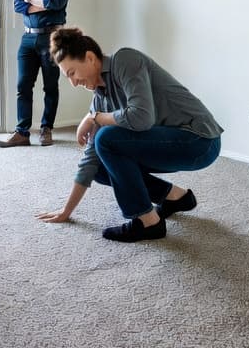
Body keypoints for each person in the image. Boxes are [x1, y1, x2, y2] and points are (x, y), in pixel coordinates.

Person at [36, 27, 224, 242]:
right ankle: (175, 197)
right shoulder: (100, 97)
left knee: (105, 138)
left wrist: (93, 117)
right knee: (98, 166)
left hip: (199, 140)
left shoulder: (125, 60)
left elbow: (142, 117)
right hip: (173, 143)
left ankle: (148, 222)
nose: (73, 82)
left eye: (72, 73)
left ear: (89, 58)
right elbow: (89, 160)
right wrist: (66, 211)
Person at [0, 0, 73, 148]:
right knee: (23, 86)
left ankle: (46, 129)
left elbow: (57, 2)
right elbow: (17, 5)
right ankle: (22, 133)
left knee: (50, 86)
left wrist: (31, 0)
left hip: (52, 37)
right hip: (28, 38)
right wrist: (42, 3)